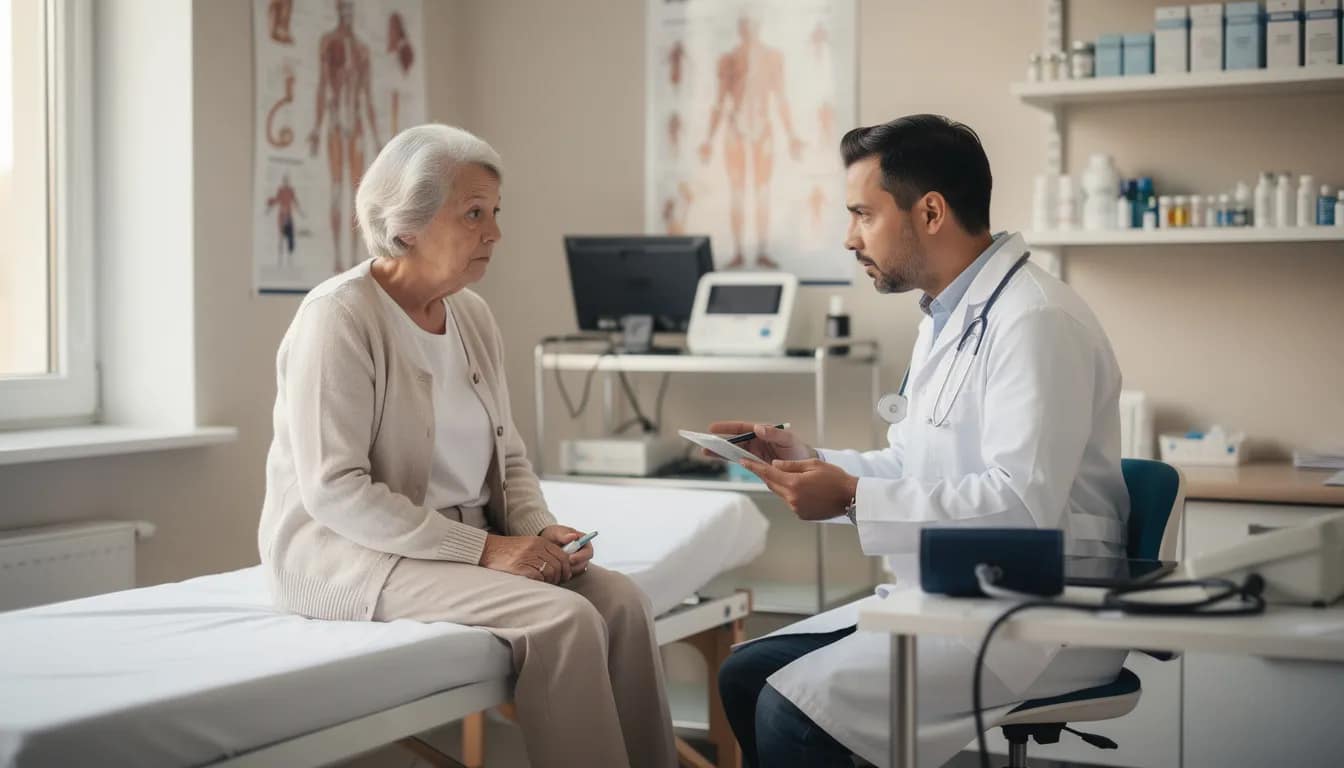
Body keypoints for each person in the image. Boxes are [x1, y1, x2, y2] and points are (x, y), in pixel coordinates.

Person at [712, 114, 1131, 767]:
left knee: (788, 711)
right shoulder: (947, 315)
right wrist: (811, 462)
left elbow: (1020, 509)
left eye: (862, 215)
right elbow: (915, 462)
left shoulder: (1035, 320)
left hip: (1043, 611)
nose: (850, 238)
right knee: (744, 672)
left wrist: (852, 496)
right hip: (960, 593)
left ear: (930, 212)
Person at [258, 124, 676, 768]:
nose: (495, 233)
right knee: (562, 619)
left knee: (621, 601)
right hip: (355, 556)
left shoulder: (472, 315)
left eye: (495, 212)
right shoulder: (338, 317)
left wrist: (540, 533)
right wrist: (487, 550)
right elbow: (334, 491)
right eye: (473, 214)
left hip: (463, 544)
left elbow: (508, 458)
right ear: (406, 226)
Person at [698, 15, 804, 269]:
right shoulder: (728, 59)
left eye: (752, 26)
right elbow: (719, 100)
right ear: (740, 30)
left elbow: (781, 98)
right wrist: (708, 139)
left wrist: (791, 136)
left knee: (762, 192)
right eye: (744, 26)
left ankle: (762, 251)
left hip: (762, 128)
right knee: (737, 193)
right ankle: (737, 251)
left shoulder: (772, 57)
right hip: (736, 127)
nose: (748, 31)